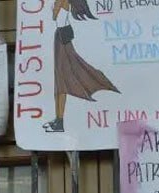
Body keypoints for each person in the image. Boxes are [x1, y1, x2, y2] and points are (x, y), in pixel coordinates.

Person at [42, 0, 119, 133]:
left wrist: (55, 5)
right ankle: (59, 120)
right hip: (62, 37)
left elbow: (54, 16)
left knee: (62, 81)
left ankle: (59, 122)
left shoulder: (61, 1)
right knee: (63, 80)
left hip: (62, 39)